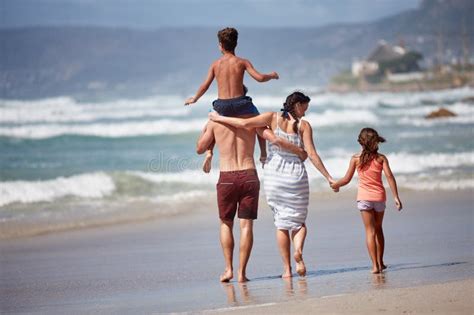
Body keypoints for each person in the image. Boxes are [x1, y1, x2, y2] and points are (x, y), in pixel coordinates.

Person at [209, 91, 336, 278]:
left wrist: (218, 118)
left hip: (274, 176)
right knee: (299, 223)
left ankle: (286, 270)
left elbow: (244, 124)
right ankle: (298, 251)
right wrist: (328, 177)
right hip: (295, 176)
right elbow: (312, 155)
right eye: (304, 108)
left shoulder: (271, 117)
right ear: (298, 105)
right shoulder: (304, 126)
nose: (305, 113)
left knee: (282, 224)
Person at [196, 114, 307, 283]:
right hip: (249, 175)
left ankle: (228, 269)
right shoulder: (252, 119)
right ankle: (241, 273)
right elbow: (266, 135)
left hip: (227, 178)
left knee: (226, 223)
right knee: (246, 226)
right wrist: (263, 153)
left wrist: (208, 142)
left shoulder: (214, 121)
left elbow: (199, 148)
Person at [185, 27, 279, 173]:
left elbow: (205, 85)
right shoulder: (242, 62)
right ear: (236, 43)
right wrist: (271, 75)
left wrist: (195, 98)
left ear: (220, 45)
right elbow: (260, 78)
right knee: (261, 122)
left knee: (214, 121)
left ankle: (209, 151)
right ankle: (263, 154)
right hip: (241, 104)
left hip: (222, 106)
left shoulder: (216, 64)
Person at [330, 128, 403, 274]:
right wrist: (396, 197)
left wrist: (336, 185)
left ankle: (375, 266)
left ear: (361, 143)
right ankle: (381, 262)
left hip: (364, 198)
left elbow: (347, 179)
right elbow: (390, 177)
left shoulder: (356, 159)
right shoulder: (381, 159)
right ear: (375, 143)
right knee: (378, 229)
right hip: (379, 198)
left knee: (369, 232)